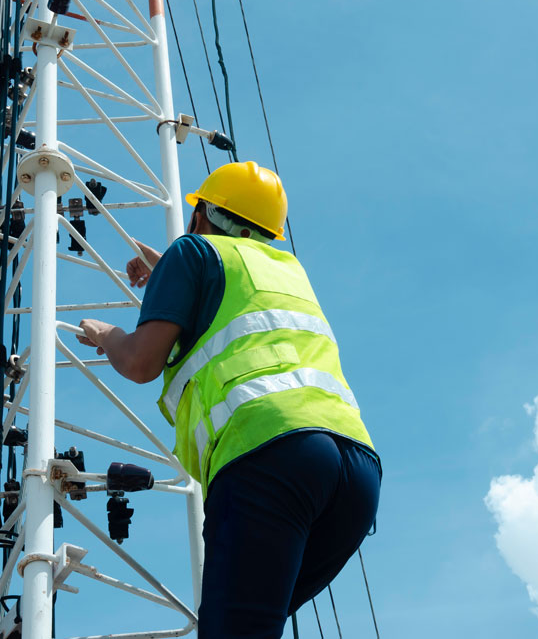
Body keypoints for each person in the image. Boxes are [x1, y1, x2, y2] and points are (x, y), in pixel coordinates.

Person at [77, 161, 380, 638]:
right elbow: (231, 294)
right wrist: (166, 272)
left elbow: (139, 363)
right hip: (355, 474)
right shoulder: (287, 269)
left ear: (204, 214)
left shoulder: (191, 252)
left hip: (269, 455)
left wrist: (106, 334)